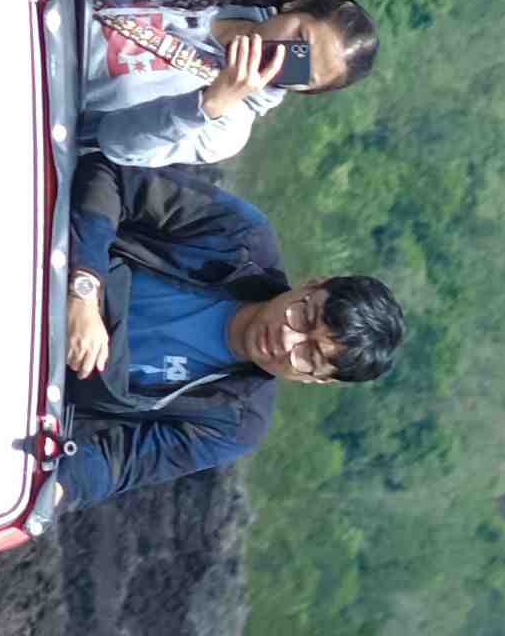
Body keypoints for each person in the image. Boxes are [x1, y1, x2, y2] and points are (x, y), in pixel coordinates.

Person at [50, 154, 405, 516]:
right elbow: (111, 176)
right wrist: (84, 291)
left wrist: (61, 488)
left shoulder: (235, 425)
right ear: (314, 284)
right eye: (303, 315)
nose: (287, 341)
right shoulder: (239, 235)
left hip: (40, 382)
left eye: (309, 356)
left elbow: (119, 462)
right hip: (45, 267)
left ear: (316, 380)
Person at [63, 0, 376, 171]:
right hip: (37, 3)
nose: (284, 54)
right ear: (296, 5)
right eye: (300, 40)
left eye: (302, 69)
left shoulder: (227, 128)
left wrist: (206, 105)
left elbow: (115, 141)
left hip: (39, 97)